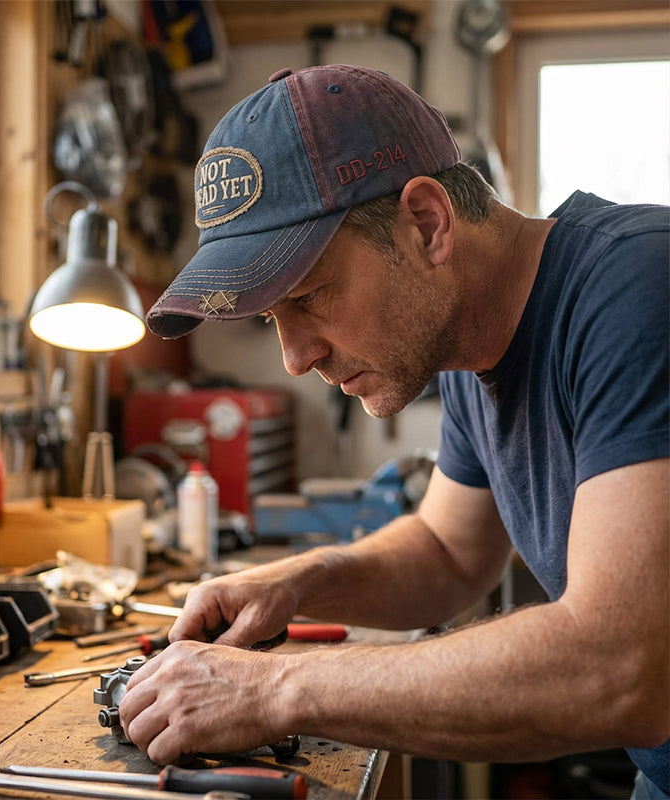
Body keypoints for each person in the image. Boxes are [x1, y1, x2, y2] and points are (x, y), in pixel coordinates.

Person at [118, 65, 669, 799]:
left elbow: (620, 667)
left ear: (428, 224)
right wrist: (296, 582)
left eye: (310, 297)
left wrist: (274, 688)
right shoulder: (470, 349)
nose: (295, 357)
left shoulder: (638, 291)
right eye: (272, 318)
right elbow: (446, 552)